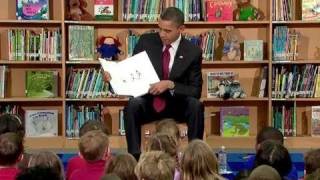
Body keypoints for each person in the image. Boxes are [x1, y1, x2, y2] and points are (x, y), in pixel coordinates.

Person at [104, 7, 204, 160]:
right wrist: (113, 80)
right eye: (160, 29)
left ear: (181, 29)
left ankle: (195, 157)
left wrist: (171, 84)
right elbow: (131, 73)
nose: (162, 34)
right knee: (132, 105)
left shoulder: (193, 52)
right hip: (150, 103)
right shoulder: (146, 42)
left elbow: (195, 91)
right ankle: (134, 157)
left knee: (195, 106)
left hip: (177, 105)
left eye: (167, 31)